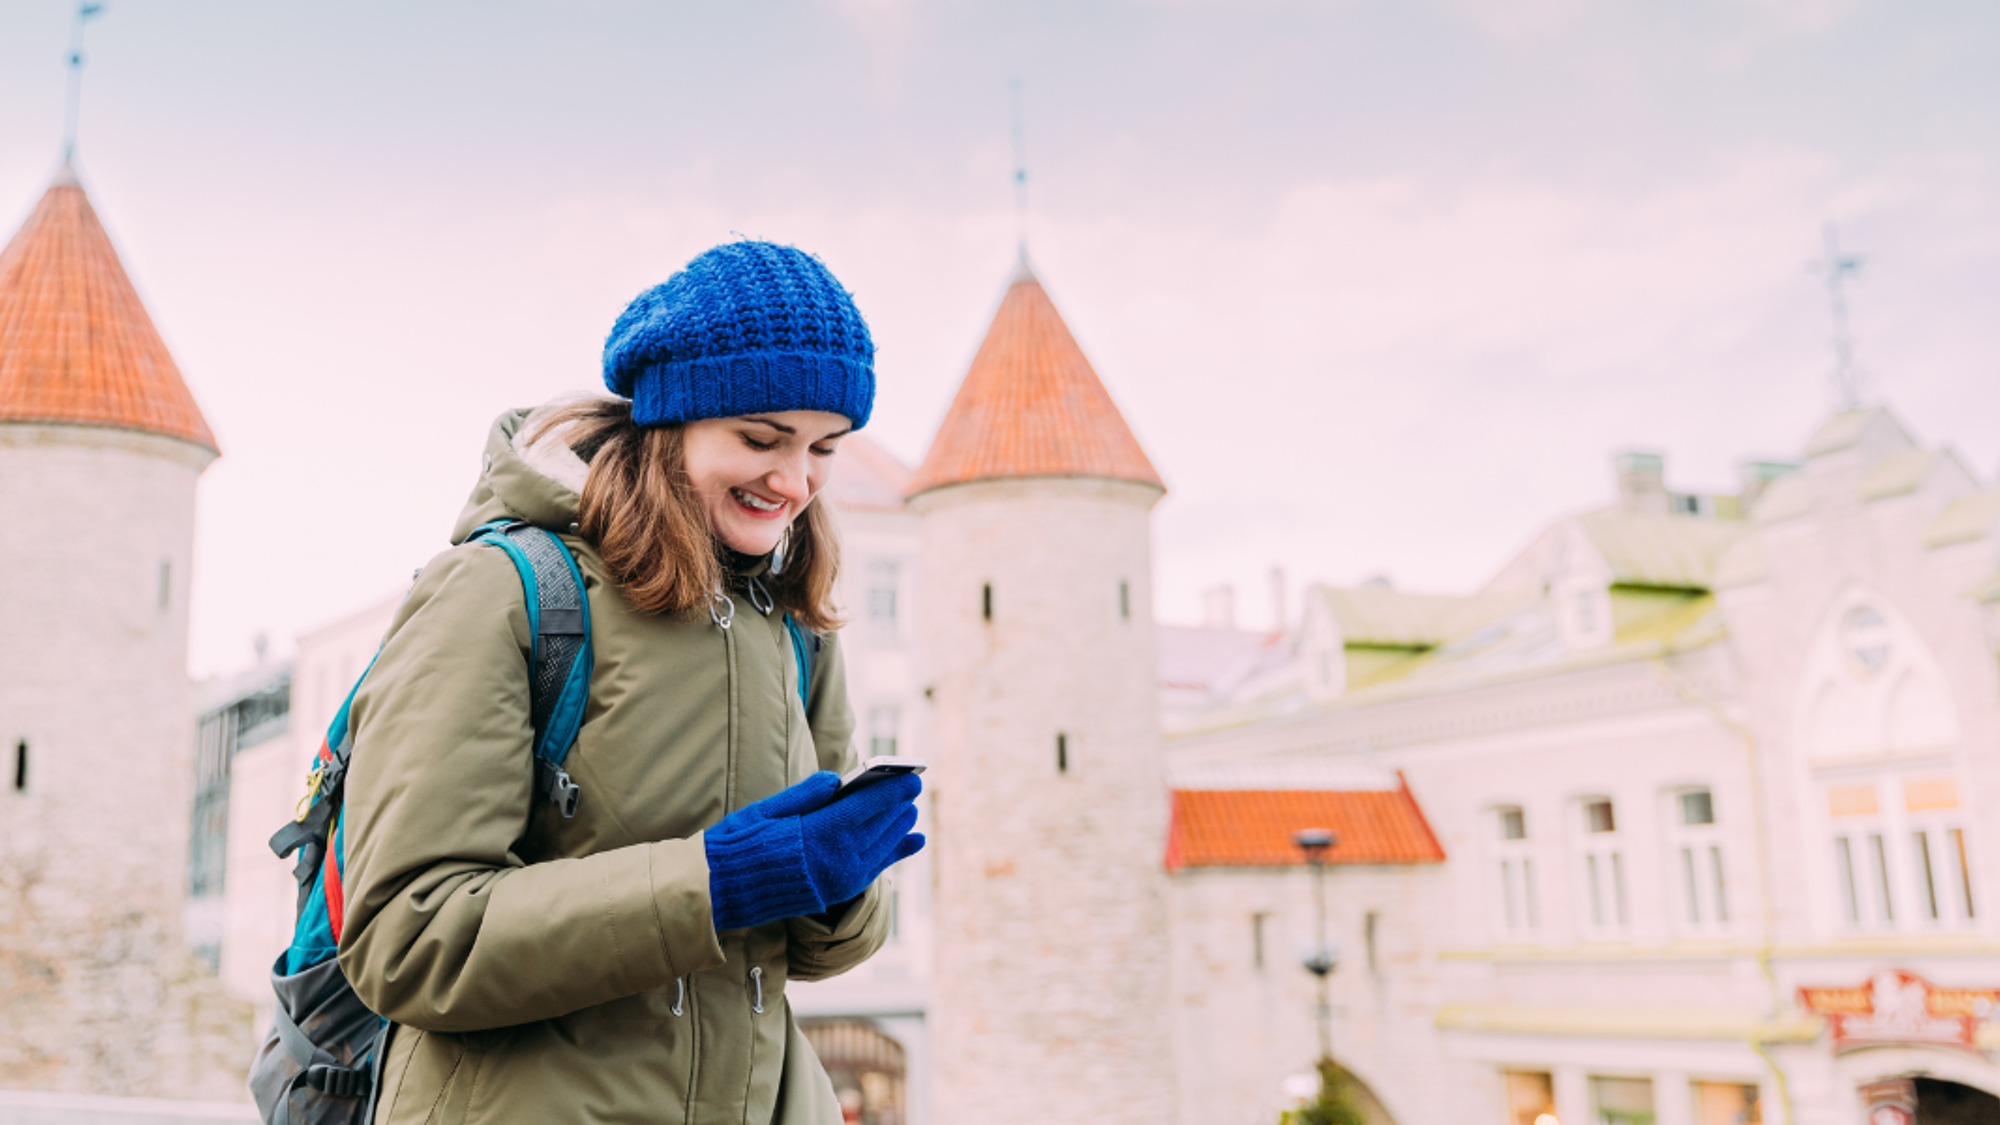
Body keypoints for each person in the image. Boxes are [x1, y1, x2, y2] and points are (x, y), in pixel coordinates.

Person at [336, 241, 924, 1125]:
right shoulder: (504, 592)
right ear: (671, 420)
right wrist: (715, 884)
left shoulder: (793, 623)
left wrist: (841, 885)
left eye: (824, 449)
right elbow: (408, 939)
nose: (794, 482)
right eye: (760, 438)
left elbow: (805, 952)